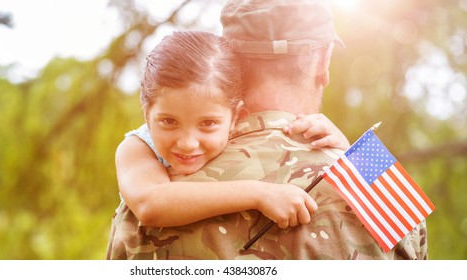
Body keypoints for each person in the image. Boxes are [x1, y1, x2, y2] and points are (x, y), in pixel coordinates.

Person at [106, 0, 428, 260]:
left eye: (206, 123)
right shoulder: (382, 182)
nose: (189, 142)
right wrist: (345, 156)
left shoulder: (136, 214)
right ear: (323, 63)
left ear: (228, 65)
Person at [114, 30, 349, 231]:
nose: (187, 143)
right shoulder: (137, 148)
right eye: (168, 121)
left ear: (236, 117)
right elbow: (150, 204)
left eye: (207, 124)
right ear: (147, 114)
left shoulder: (241, 135)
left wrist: (343, 149)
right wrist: (260, 194)